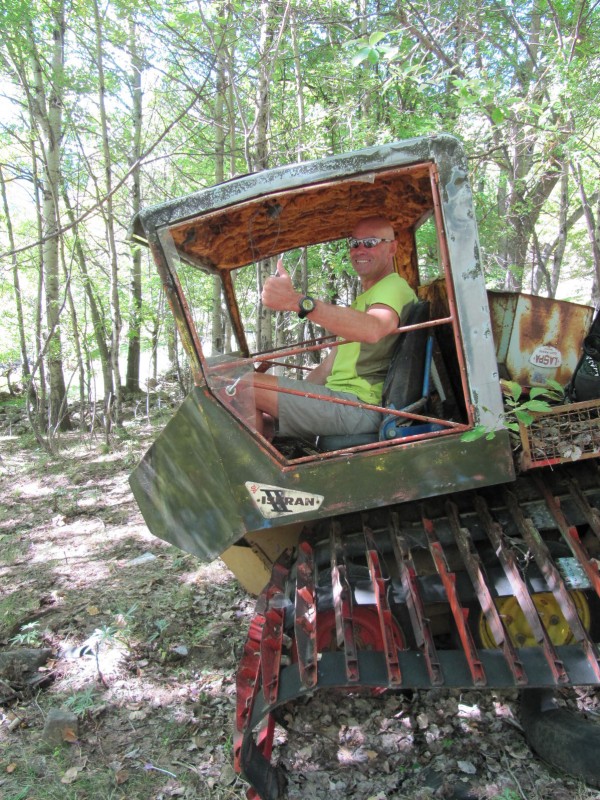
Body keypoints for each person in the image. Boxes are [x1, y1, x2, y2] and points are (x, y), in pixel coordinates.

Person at [252, 216, 417, 440]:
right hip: (339, 399)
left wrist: (297, 302)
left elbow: (374, 328)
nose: (360, 250)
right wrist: (285, 403)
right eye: (354, 243)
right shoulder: (362, 303)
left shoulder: (394, 287)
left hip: (362, 406)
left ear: (392, 248)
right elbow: (326, 370)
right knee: (244, 390)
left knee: (243, 385)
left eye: (370, 243)